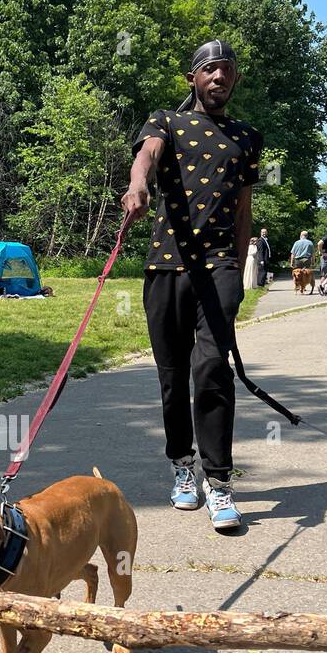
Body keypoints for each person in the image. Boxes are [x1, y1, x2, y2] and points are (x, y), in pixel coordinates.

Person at [122, 38, 263, 532]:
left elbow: (244, 211)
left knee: (211, 369)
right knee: (171, 374)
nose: (219, 77)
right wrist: (139, 184)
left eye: (226, 70)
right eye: (209, 70)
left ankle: (219, 482)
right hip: (166, 264)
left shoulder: (248, 137)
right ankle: (183, 467)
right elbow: (147, 155)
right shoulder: (167, 120)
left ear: (234, 79)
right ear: (193, 78)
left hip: (221, 264)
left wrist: (242, 274)